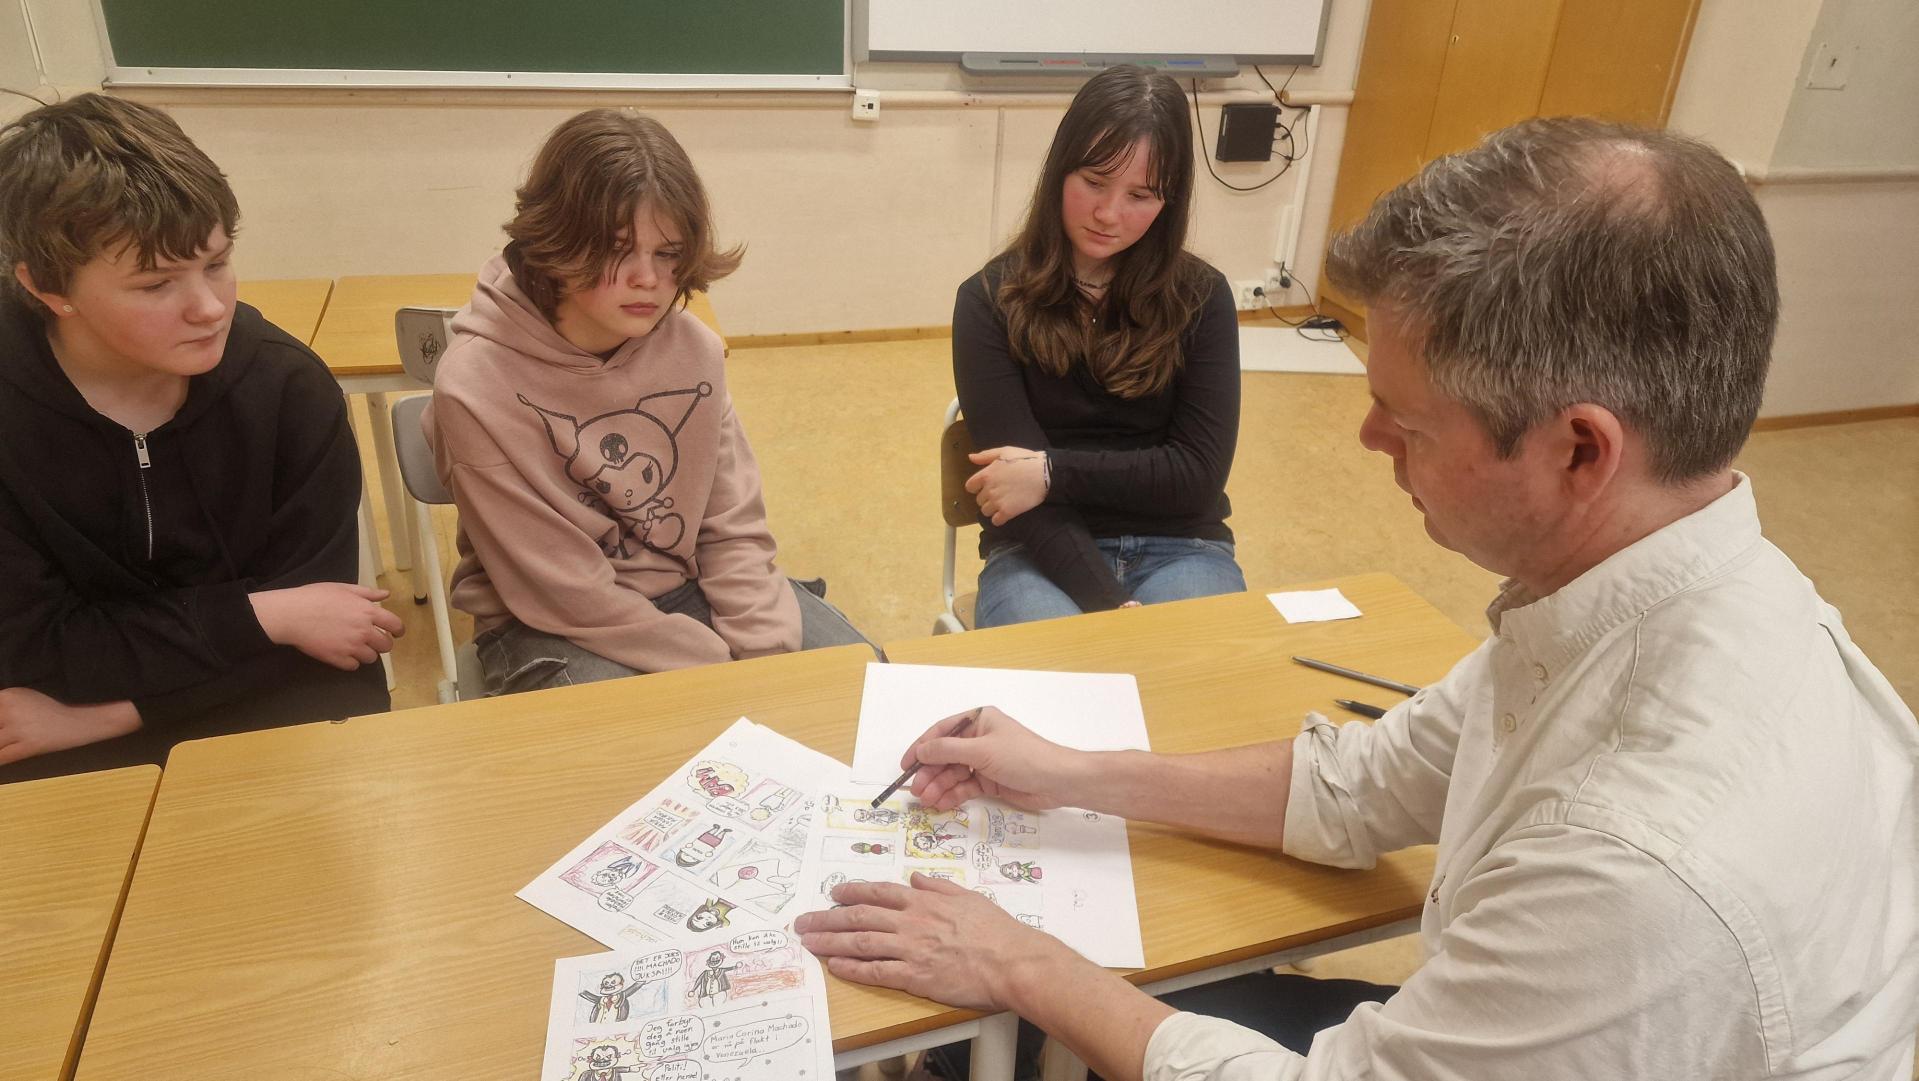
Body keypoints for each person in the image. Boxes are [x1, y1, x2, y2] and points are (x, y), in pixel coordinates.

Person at [798, 118, 1919, 1080]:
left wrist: (1014, 958)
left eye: (1408, 420)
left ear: (1580, 449)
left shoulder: (1637, 862)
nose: (1365, 437)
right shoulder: (1644, 591)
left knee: (1050, 1008)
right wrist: (1069, 773)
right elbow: (1362, 785)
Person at [0, 94, 397, 783]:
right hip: (48, 716)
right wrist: (263, 613)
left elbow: (327, 635)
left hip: (152, 708)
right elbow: (37, 649)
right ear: (47, 288)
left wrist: (109, 714)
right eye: (155, 284)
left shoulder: (288, 389)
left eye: (216, 263)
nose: (210, 307)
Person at [423, 109, 870, 696]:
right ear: (555, 241)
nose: (648, 279)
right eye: (616, 249)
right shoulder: (474, 386)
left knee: (859, 693)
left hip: (686, 588)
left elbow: (730, 525)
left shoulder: (694, 352)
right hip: (548, 622)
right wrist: (719, 672)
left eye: (668, 253)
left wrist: (763, 651)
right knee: (649, 756)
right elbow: (562, 592)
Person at [952, 65, 1245, 628]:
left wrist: (1049, 474)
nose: (1109, 214)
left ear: (1170, 199)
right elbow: (1009, 495)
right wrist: (1109, 608)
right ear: (1059, 170)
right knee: (1059, 696)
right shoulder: (987, 299)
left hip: (1183, 545)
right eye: (1093, 181)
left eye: (1140, 194)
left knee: (1203, 689)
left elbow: (1198, 476)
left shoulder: (1202, 297)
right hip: (1038, 555)